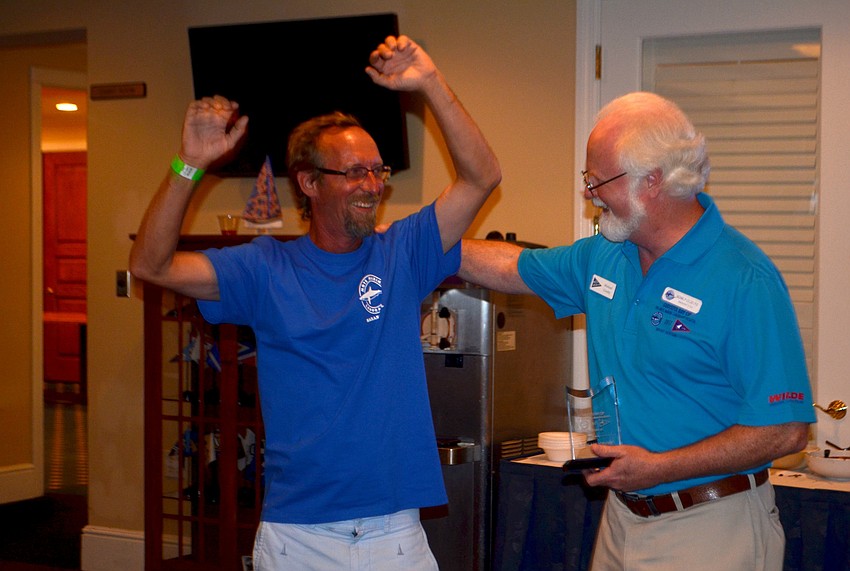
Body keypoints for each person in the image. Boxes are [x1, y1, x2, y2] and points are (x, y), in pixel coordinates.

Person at [130, 35, 500, 570]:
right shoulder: (263, 268)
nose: (372, 185)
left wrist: (429, 84)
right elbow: (151, 265)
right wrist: (189, 163)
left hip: (393, 532)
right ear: (308, 182)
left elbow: (482, 176)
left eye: (378, 171)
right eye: (354, 172)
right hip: (296, 536)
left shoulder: (403, 253)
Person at [458, 92, 814, 570]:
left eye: (596, 179)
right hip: (621, 520)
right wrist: (411, 246)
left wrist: (658, 468)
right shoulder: (605, 254)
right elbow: (510, 266)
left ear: (652, 182)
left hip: (711, 528)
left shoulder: (743, 277)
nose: (587, 193)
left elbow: (786, 431)